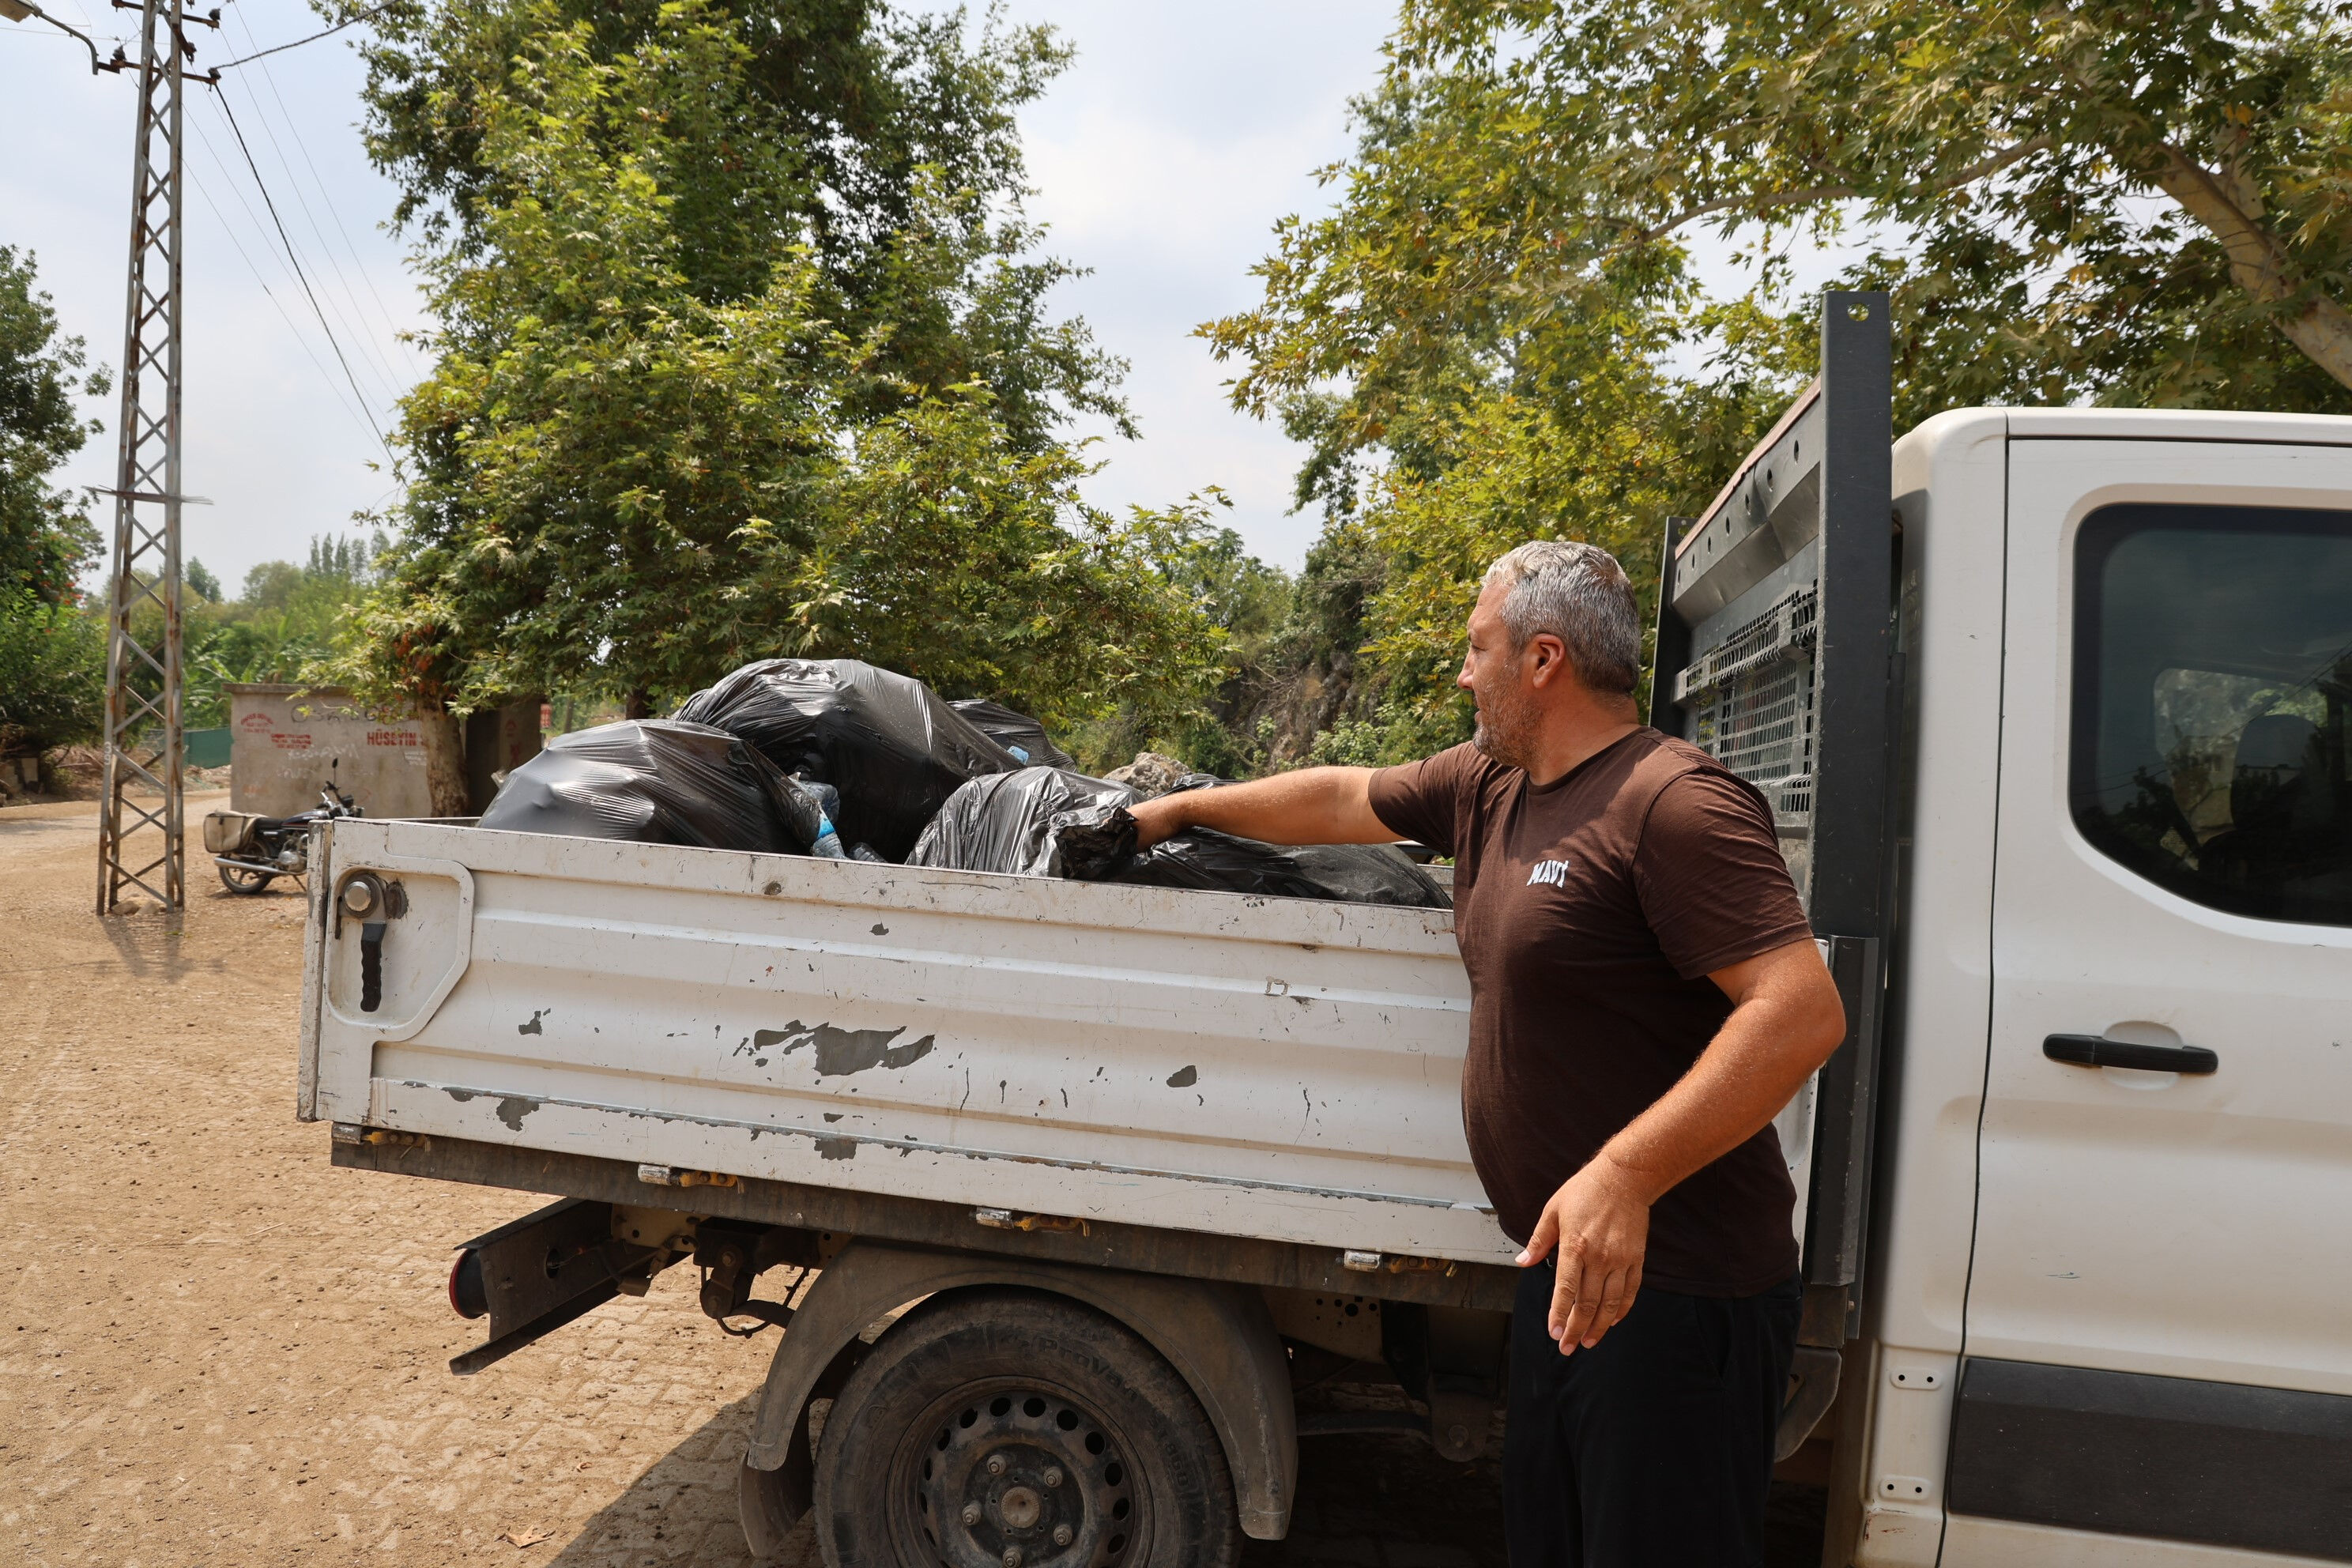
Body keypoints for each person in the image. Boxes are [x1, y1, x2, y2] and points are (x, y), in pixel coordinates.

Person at [1126, 540, 1847, 1566]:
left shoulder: (1673, 804)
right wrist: (1177, 812)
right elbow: (1343, 800)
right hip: (1563, 1275)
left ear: (1543, 659)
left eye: (1478, 649)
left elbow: (1800, 1010)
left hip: (1682, 1295)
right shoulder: (1491, 785)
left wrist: (1624, 1174)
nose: (1464, 674)